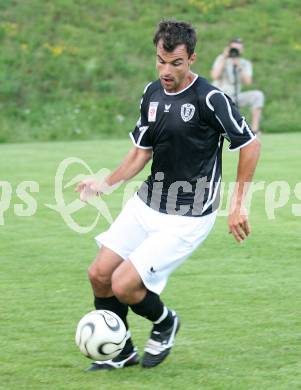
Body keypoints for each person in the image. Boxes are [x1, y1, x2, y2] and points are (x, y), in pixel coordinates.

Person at [75, 20, 261, 371]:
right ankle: (122, 351)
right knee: (99, 274)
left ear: (191, 58)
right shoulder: (152, 94)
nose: (166, 70)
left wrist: (238, 205)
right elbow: (140, 152)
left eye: (176, 63)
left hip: (187, 217)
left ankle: (165, 322)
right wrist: (105, 183)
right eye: (161, 60)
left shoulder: (210, 98)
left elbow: (250, 145)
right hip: (148, 202)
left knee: (125, 285)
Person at [211, 38, 264, 134]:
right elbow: (215, 75)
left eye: (238, 49)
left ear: (242, 50)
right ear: (228, 48)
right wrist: (224, 57)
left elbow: (248, 82)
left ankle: (254, 129)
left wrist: (239, 66)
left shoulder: (244, 63)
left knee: (258, 95)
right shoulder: (221, 59)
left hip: (235, 96)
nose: (235, 51)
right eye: (233, 48)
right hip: (220, 96)